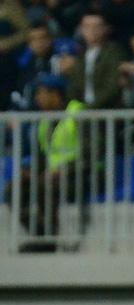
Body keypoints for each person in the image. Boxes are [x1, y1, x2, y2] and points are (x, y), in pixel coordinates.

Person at [4, 73, 89, 252]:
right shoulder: (45, 120)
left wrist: (65, 169)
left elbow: (92, 150)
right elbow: (44, 156)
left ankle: (50, 238)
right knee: (13, 189)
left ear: (55, 94)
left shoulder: (78, 112)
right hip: (52, 176)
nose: (37, 98)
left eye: (41, 93)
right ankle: (42, 236)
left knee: (45, 185)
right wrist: (30, 170)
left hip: (80, 175)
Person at [67, 11, 126, 109]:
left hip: (108, 111)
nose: (92, 30)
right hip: (83, 111)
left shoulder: (114, 52)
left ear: (106, 29)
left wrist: (90, 108)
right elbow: (74, 86)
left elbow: (112, 86)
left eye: (97, 26)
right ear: (81, 29)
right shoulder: (80, 55)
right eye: (87, 26)